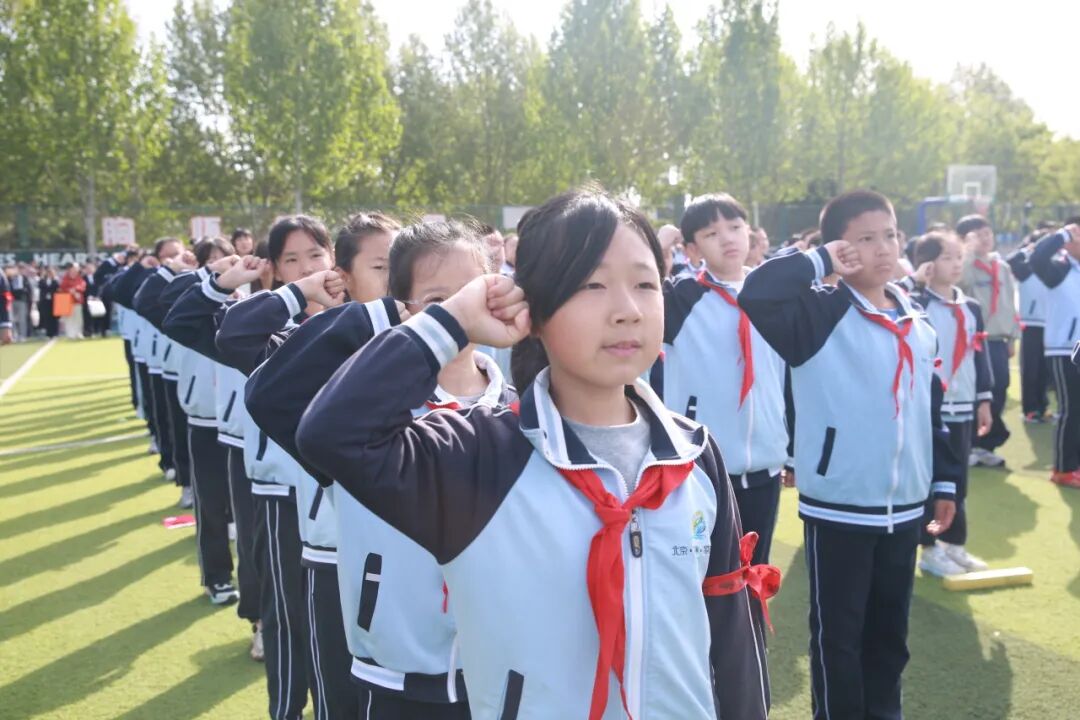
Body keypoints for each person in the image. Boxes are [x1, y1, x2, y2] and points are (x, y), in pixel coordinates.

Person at [294, 188, 773, 719]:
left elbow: (731, 638)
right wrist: (449, 320)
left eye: (644, 283)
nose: (628, 311)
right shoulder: (479, 455)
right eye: (592, 285)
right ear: (533, 308)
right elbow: (332, 432)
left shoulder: (693, 455)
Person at [739, 189, 961, 720]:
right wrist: (822, 259)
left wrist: (944, 480)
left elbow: (930, 407)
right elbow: (757, 293)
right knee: (839, 638)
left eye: (890, 235)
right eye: (864, 238)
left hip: (906, 507)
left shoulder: (916, 318)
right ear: (841, 247)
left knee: (890, 637)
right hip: (839, 506)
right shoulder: (820, 312)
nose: (883, 248)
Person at [662, 193, 786, 566]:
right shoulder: (682, 297)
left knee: (755, 572)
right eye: (711, 233)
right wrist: (661, 242)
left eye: (734, 227)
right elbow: (641, 286)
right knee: (704, 572)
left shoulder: (772, 296)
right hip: (702, 467)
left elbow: (786, 375)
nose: (728, 238)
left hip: (765, 465)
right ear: (692, 249)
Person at [902, 232, 993, 576]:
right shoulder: (915, 303)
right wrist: (916, 283)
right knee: (931, 479)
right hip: (930, 408)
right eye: (947, 257)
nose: (956, 264)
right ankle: (928, 548)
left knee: (958, 480)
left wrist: (984, 400)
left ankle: (955, 544)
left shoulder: (970, 307)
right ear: (927, 263)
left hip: (964, 404)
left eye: (959, 257)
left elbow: (979, 355)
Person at [958, 214, 1020, 467]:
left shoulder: (1001, 266)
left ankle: (986, 445)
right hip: (974, 339)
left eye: (987, 234)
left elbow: (1009, 302)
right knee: (978, 391)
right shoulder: (965, 265)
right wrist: (967, 252)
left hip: (998, 338)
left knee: (1000, 388)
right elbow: (960, 284)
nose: (985, 239)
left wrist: (1012, 336)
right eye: (977, 235)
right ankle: (970, 444)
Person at [1029, 221, 1080, 488]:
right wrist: (1061, 234)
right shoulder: (1059, 269)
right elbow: (1036, 258)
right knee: (1071, 409)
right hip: (1064, 348)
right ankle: (1063, 468)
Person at [1007, 233, 1054, 422]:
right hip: (1031, 325)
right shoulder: (1025, 269)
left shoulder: (1053, 268)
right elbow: (1011, 259)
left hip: (1050, 324)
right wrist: (1029, 249)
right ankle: (1030, 410)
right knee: (1031, 369)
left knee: (1045, 369)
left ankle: (1042, 407)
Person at [58, 263, 86, 339]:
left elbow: (83, 286)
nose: (74, 271)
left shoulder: (79, 278)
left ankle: (78, 333)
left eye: (76, 269)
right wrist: (70, 290)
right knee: (69, 318)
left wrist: (75, 289)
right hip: (68, 301)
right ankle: (70, 334)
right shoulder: (66, 278)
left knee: (78, 318)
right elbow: (62, 287)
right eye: (73, 269)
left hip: (77, 301)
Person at [37, 266, 60, 338]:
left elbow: (57, 288)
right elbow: (41, 286)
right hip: (45, 301)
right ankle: (49, 333)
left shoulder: (56, 280)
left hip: (54, 301)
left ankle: (55, 332)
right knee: (47, 317)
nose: (50, 274)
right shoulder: (43, 280)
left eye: (51, 272)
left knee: (54, 317)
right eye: (48, 272)